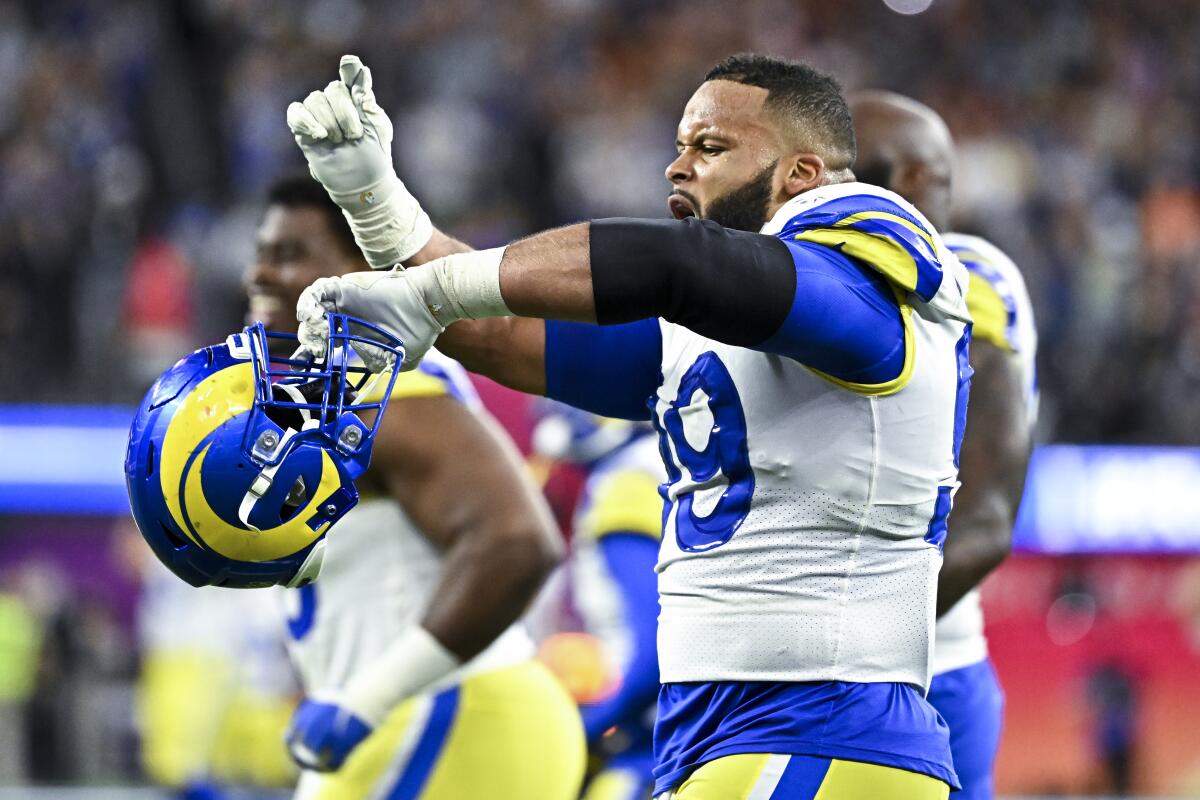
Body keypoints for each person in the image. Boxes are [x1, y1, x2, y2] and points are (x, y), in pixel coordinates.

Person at [288, 53, 972, 799]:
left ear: (801, 174)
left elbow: (679, 265)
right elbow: (495, 332)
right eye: (679, 145)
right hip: (725, 730)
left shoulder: (864, 270)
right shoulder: (711, 322)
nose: (677, 167)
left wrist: (431, 288)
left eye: (710, 147)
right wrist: (375, 201)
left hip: (821, 724)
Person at [245, 176, 585, 799]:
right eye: (261, 253)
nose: (261, 274)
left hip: (448, 716)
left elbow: (516, 541)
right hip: (418, 720)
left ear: (360, 268)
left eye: (289, 253)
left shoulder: (384, 392)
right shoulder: (336, 397)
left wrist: (365, 700)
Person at [851, 90, 1038, 800]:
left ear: (911, 182)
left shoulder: (964, 280)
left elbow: (983, 521)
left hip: (920, 669)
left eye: (848, 170)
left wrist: (833, 644)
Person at [530, 403, 664, 800]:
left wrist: (579, 735)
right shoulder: (650, 463)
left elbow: (655, 653)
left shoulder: (626, 481)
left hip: (653, 739)